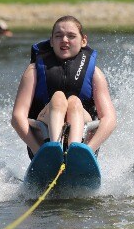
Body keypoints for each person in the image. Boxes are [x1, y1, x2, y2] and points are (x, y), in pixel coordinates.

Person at [11, 16, 117, 159]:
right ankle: (54, 150)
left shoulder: (95, 74)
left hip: (84, 142)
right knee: (58, 98)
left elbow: (109, 119)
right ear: (51, 41)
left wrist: (90, 151)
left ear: (83, 40)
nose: (64, 40)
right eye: (58, 36)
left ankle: (76, 153)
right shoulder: (33, 71)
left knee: (74, 102)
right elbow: (17, 116)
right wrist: (38, 152)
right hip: (42, 142)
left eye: (71, 36)